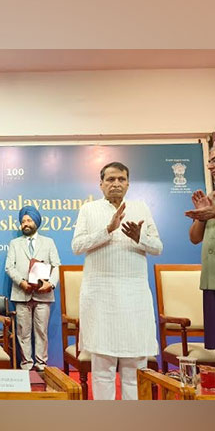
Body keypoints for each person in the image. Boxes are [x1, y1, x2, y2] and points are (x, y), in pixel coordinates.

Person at [71, 161, 162, 400]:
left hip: (134, 296)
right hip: (101, 296)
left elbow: (158, 247)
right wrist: (107, 230)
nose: (116, 184)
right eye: (110, 179)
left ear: (128, 184)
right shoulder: (88, 210)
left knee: (134, 369)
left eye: (121, 179)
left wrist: (139, 237)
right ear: (100, 184)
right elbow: (77, 246)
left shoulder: (141, 208)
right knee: (102, 370)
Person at [185, 139, 215, 369]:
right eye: (209, 161)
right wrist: (201, 215)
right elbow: (195, 238)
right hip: (213, 279)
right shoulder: (213, 195)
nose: (210, 166)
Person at [5, 205, 60, 371]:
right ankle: (27, 366)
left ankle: (41, 365)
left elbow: (56, 266)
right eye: (23, 221)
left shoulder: (48, 242)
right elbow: (9, 267)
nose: (25, 224)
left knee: (41, 332)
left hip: (43, 296)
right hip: (22, 294)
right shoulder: (15, 243)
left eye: (29, 220)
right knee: (23, 333)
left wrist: (50, 284)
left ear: (36, 222)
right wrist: (22, 282)